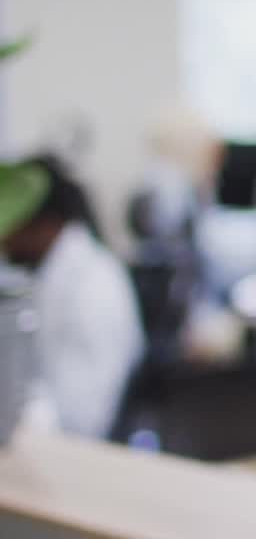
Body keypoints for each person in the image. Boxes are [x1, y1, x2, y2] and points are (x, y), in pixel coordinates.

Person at [0, 156, 144, 438]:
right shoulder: (40, 274)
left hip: (78, 453)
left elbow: (80, 416)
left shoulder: (93, 286)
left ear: (44, 224)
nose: (4, 240)